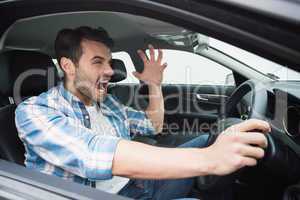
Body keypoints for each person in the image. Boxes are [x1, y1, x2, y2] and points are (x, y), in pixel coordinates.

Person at [15, 26, 270, 199]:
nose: (109, 71)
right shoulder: (35, 111)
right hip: (100, 195)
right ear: (68, 66)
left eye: (109, 62)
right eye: (97, 62)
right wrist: (210, 159)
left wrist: (154, 85)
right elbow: (91, 152)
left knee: (210, 139)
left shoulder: (108, 103)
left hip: (137, 183)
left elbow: (153, 126)